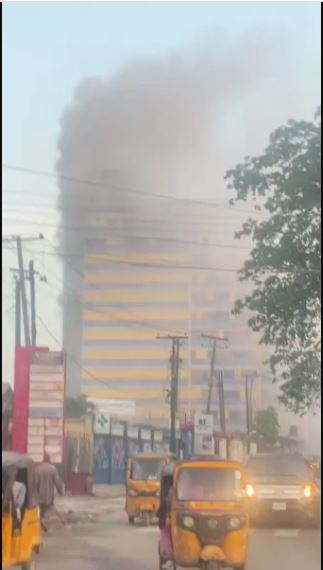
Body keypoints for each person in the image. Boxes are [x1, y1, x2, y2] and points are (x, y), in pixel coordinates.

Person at [36, 453, 63, 532]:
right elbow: (57, 482)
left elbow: (35, 483)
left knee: (40, 510)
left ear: (43, 460)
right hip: (49, 495)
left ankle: (40, 523)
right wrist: (60, 490)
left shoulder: (38, 469)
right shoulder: (53, 469)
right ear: (49, 460)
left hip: (39, 496)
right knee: (48, 509)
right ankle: (44, 523)